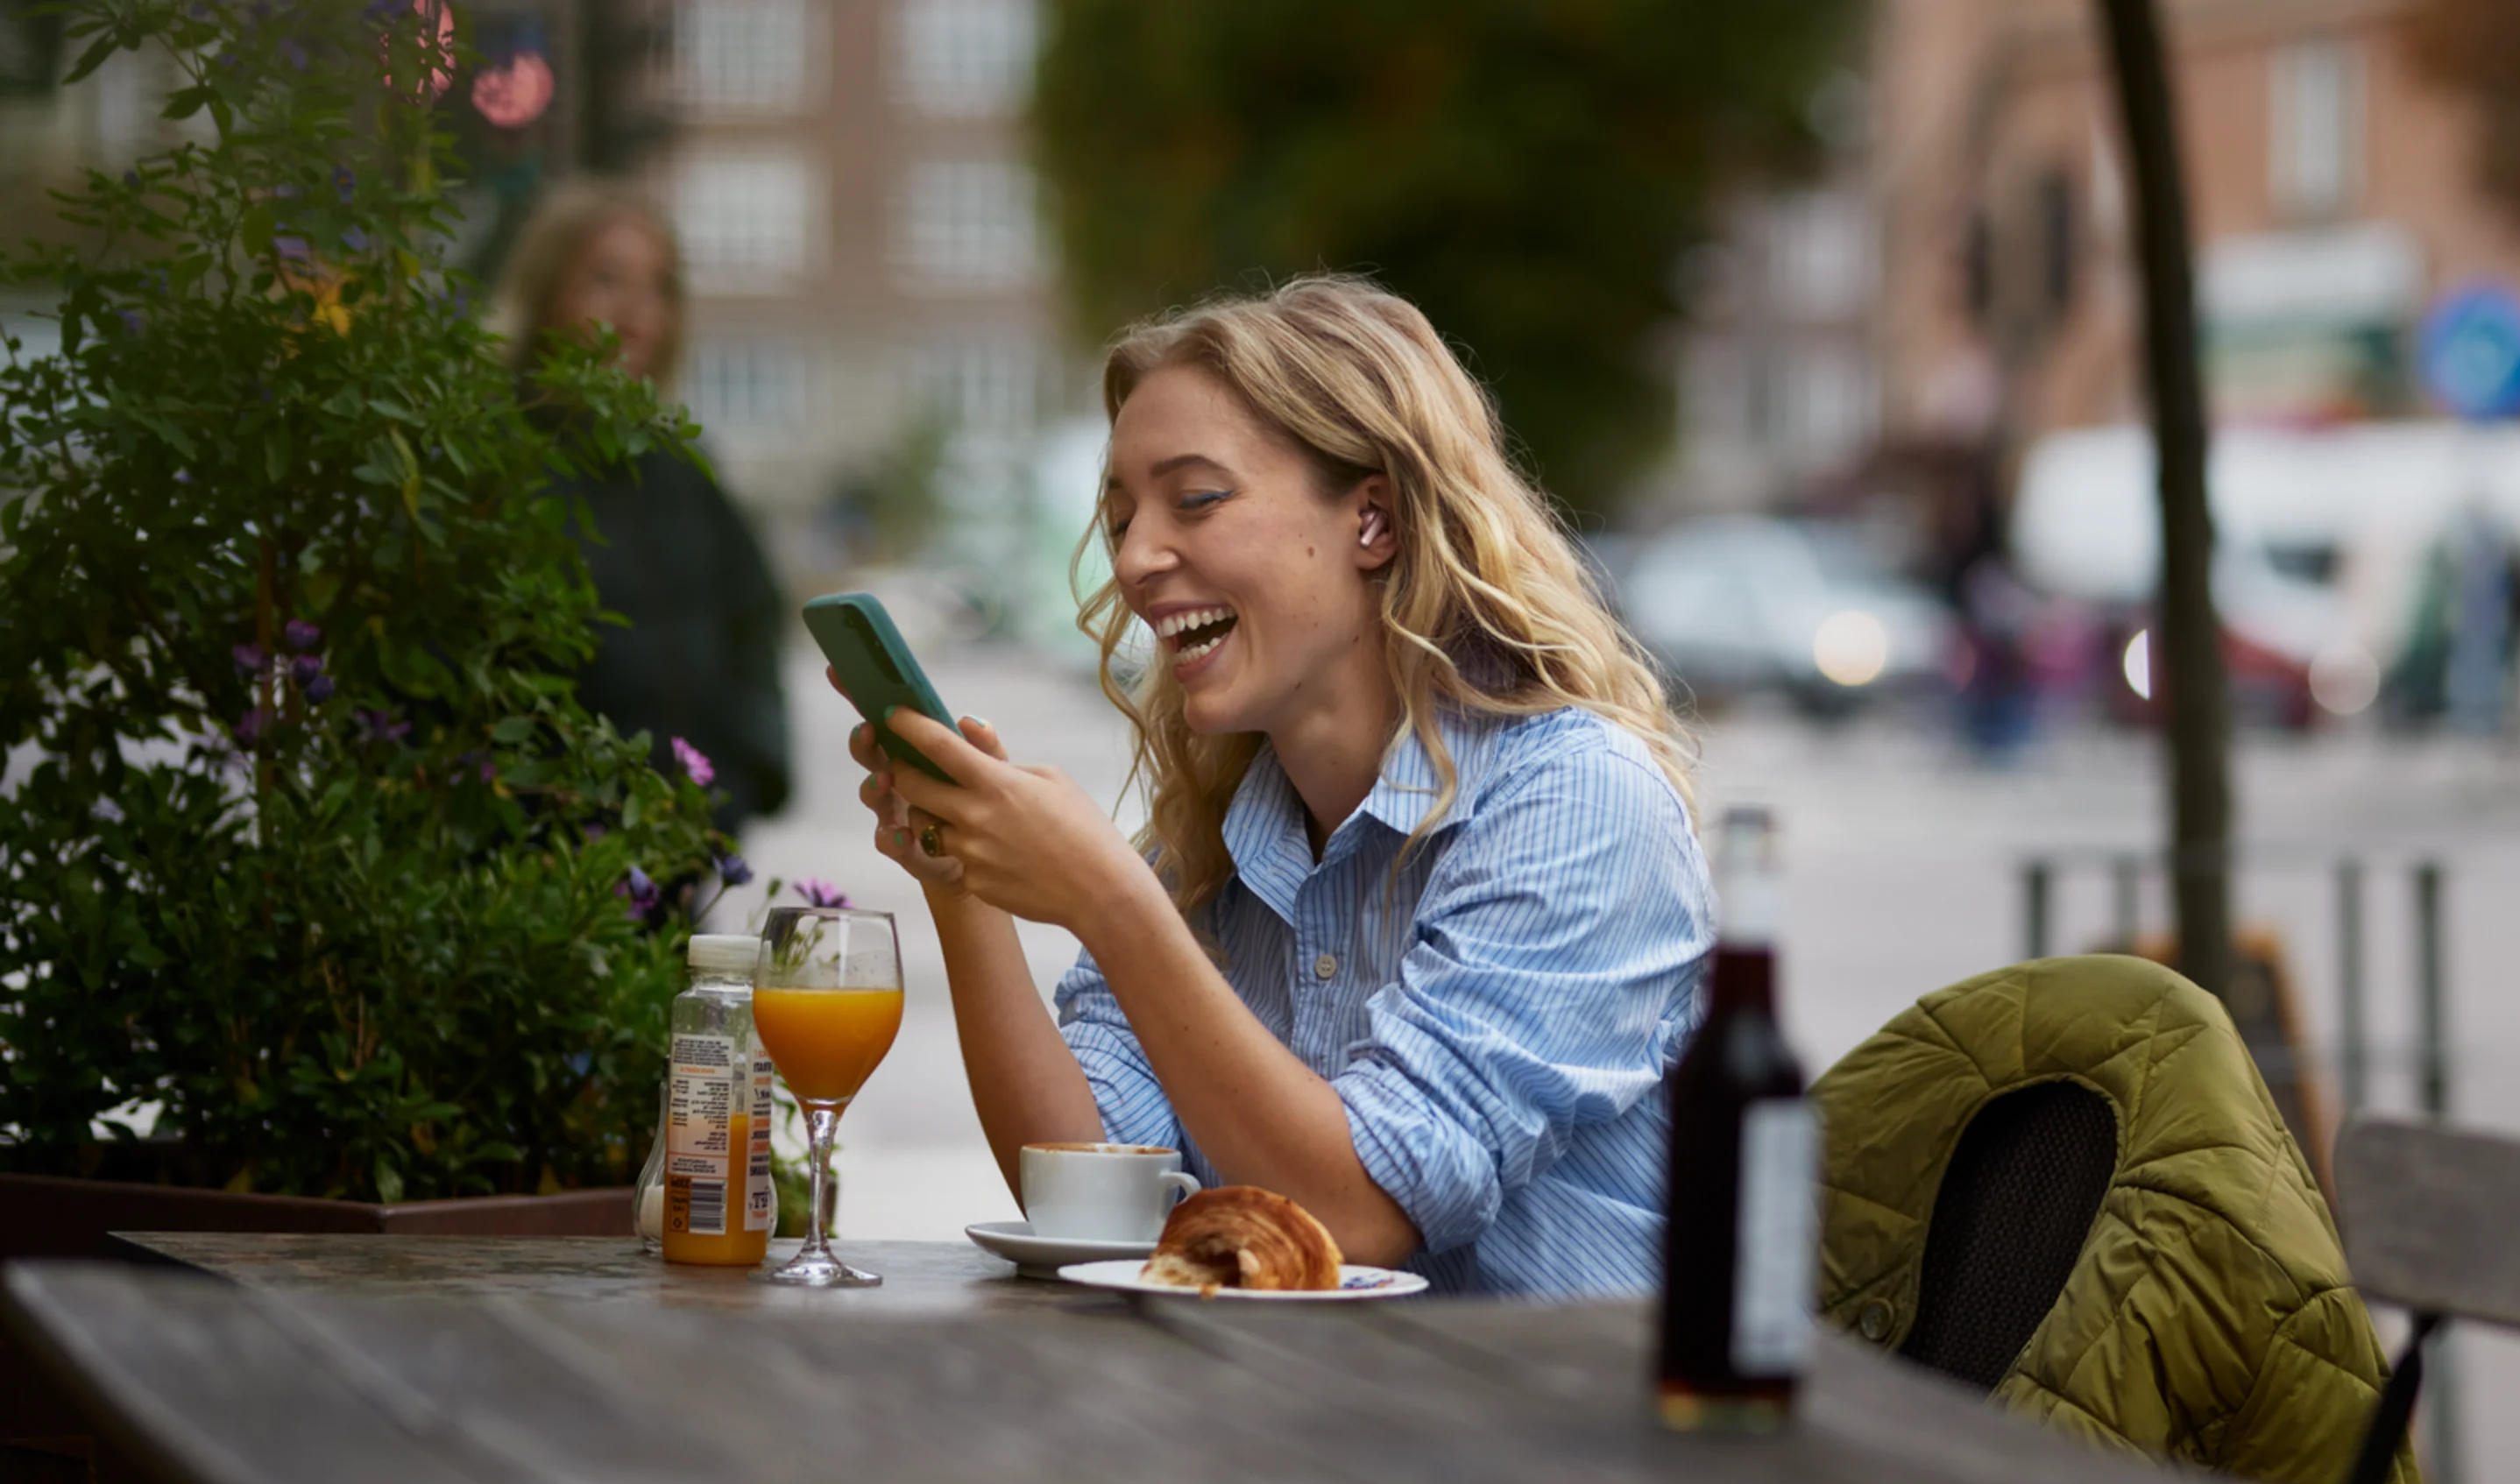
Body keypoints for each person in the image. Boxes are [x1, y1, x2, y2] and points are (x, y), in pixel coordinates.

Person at [851, 278, 1712, 1297]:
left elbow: (1354, 1216)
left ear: (1374, 521)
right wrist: (965, 890)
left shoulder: (1576, 803)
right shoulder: (1210, 840)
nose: (1133, 559)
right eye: (1121, 517)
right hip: (1302, 1422)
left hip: (1557, 1435)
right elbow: (1093, 1201)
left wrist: (1109, 902)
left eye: (1197, 499)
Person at [499, 183, 791, 825]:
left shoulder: (683, 468)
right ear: (545, 292)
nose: (636, 311)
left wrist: (746, 776)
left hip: (680, 844)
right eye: (606, 280)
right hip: (536, 860)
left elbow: (755, 621)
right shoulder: (495, 456)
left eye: (658, 287)